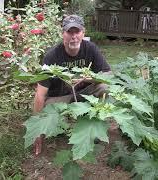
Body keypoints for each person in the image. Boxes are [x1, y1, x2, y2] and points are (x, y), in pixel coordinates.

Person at [33, 14, 111, 155]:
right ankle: (66, 123)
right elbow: (40, 94)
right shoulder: (51, 56)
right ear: (63, 33)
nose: (74, 36)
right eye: (69, 32)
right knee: (48, 109)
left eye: (77, 31)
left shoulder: (91, 48)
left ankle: (93, 127)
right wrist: (37, 130)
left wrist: (86, 79)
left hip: (84, 95)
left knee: (104, 88)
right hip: (61, 99)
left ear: (83, 33)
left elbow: (107, 74)